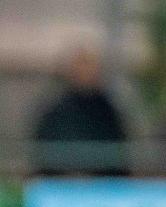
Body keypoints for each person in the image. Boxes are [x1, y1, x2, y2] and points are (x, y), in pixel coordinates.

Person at [32, 47, 128, 176]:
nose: (85, 72)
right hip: (61, 184)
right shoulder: (56, 110)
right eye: (80, 66)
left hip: (102, 186)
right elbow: (44, 150)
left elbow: (120, 151)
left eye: (89, 66)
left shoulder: (108, 111)